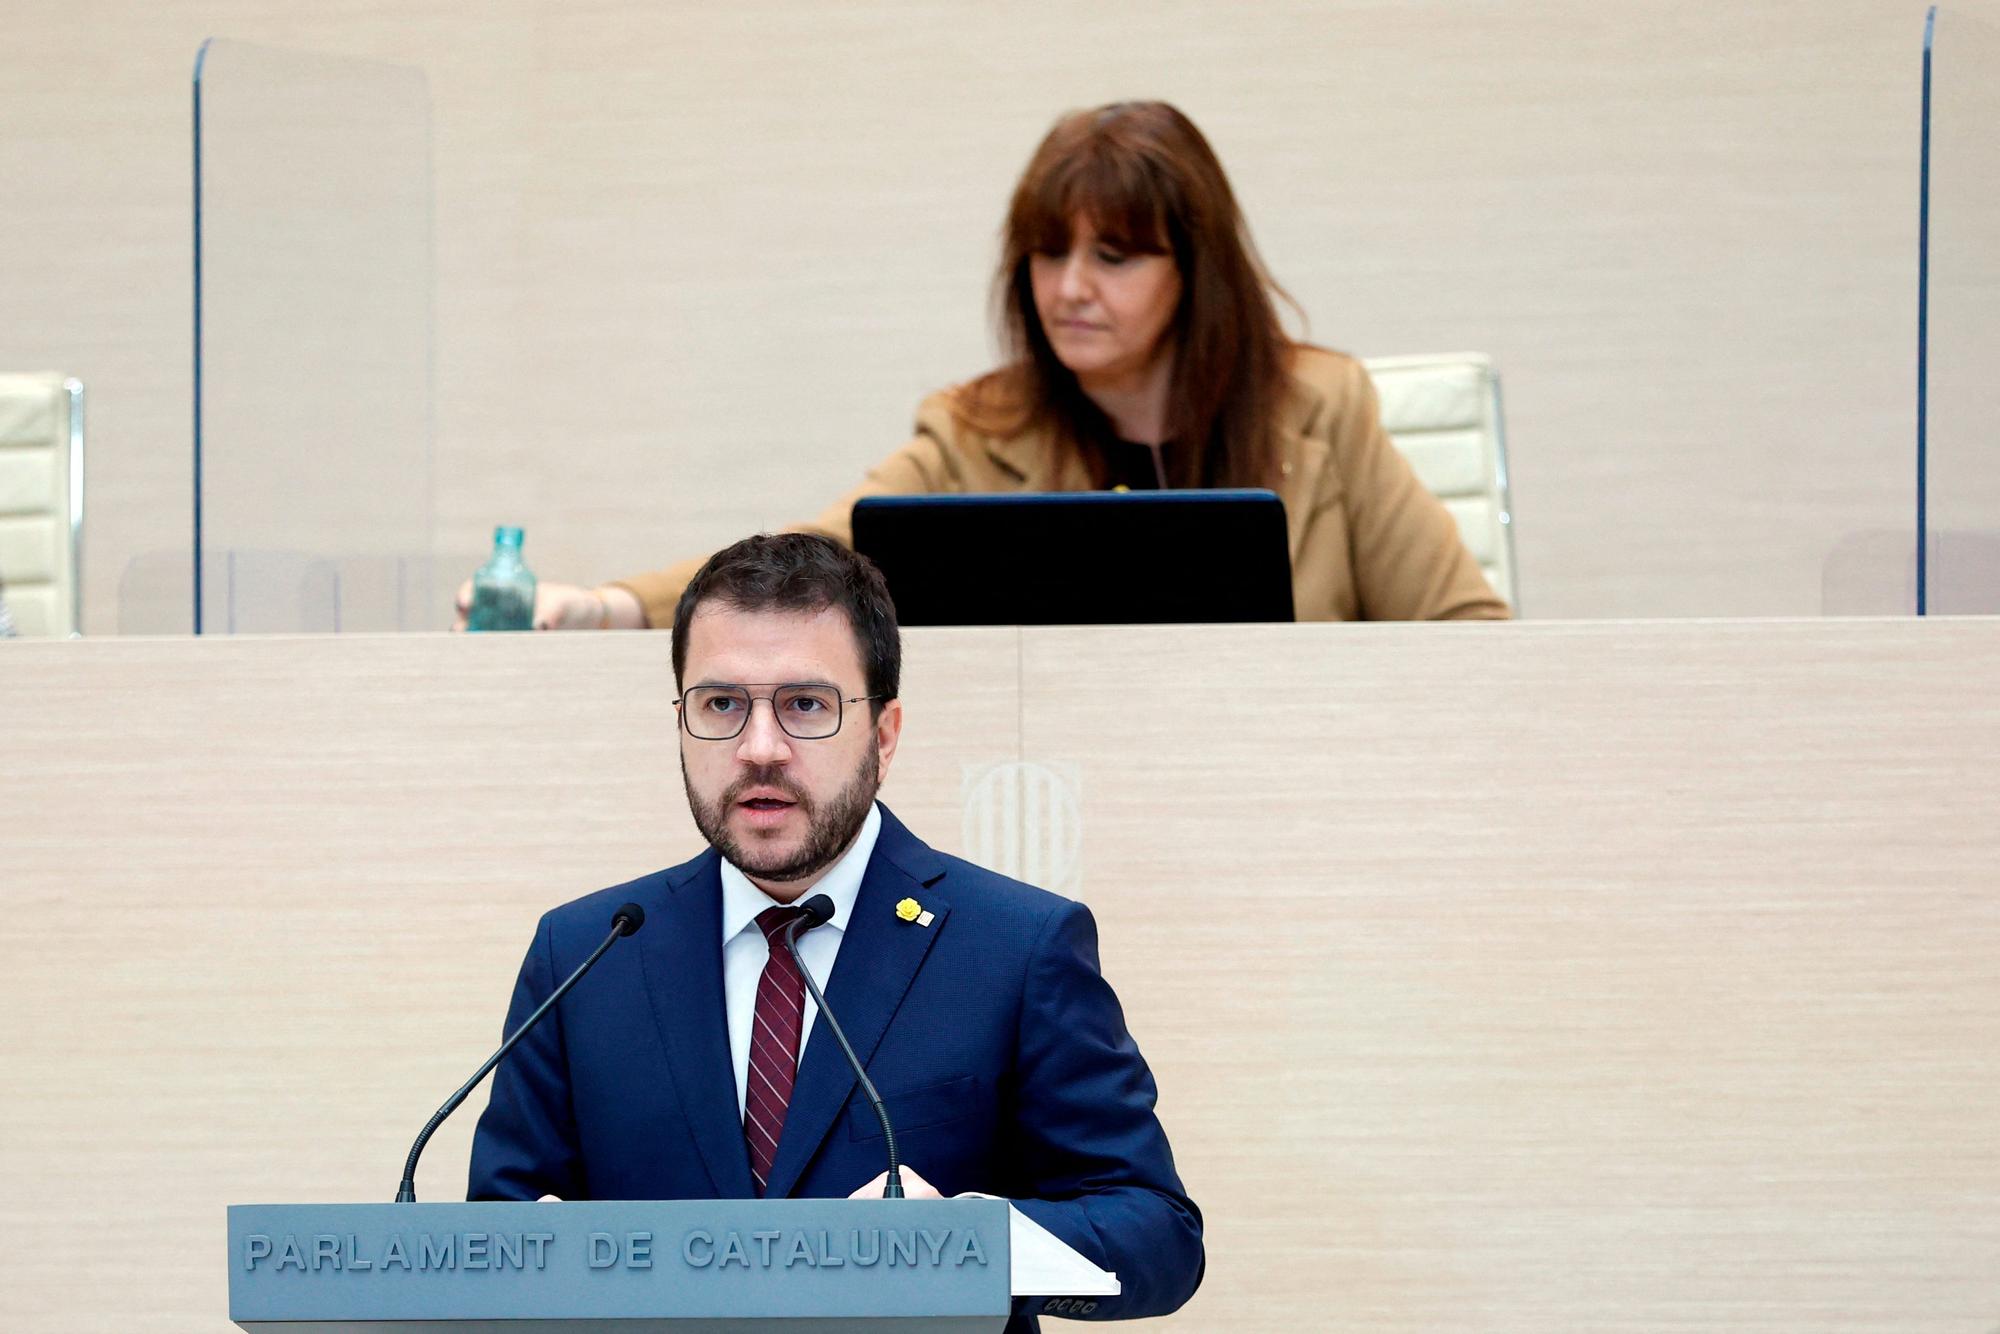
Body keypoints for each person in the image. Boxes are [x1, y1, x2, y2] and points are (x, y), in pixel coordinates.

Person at [467, 532, 1204, 1328]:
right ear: (679, 721)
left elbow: (1156, 1234)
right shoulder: (588, 953)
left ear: (883, 737)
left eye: (806, 706)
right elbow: (496, 1234)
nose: (759, 750)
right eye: (721, 705)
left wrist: (974, 1243)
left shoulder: (1016, 947)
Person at [460, 100, 1509, 631]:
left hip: (1292, 802)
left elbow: (1467, 635)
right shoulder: (974, 430)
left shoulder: (1321, 408)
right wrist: (611, 606)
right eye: (1049, 253)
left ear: (1197, 271)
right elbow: (806, 559)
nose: (1069, 288)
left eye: (1114, 254)